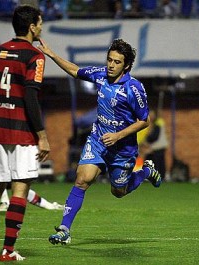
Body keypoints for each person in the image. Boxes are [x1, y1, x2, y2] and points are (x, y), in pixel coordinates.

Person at [37, 38, 162, 245]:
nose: (111, 65)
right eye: (109, 60)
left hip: (122, 149)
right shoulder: (101, 75)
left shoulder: (134, 88)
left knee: (118, 191)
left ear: (127, 66)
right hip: (98, 141)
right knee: (82, 179)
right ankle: (64, 229)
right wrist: (52, 55)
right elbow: (76, 71)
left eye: (117, 62)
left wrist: (118, 136)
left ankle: (145, 172)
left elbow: (144, 121)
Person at [0, 5, 50, 262]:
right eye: (40, 23)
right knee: (19, 191)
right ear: (32, 26)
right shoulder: (35, 56)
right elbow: (30, 95)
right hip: (22, 133)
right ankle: (7, 250)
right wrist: (42, 135)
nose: (41, 27)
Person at [143, 110, 169, 180]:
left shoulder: (158, 124)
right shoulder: (155, 124)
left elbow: (155, 136)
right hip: (157, 145)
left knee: (158, 161)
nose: (150, 116)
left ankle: (160, 176)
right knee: (157, 160)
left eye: (152, 114)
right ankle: (156, 175)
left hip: (159, 146)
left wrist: (147, 140)